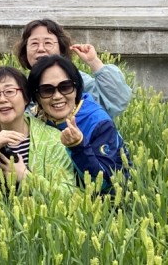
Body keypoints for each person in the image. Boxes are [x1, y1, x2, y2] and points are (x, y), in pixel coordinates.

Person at [0, 67, 74, 194]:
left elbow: (67, 194)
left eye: (9, 91)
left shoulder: (52, 139)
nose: (2, 99)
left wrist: (25, 176)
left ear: (26, 98)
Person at [28, 55, 131, 192]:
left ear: (77, 88)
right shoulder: (33, 118)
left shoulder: (98, 123)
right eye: (47, 90)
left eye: (65, 87)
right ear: (36, 96)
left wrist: (78, 146)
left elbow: (106, 182)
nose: (57, 96)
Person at [16, 19, 131, 118]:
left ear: (61, 49)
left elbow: (116, 101)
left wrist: (94, 62)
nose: (41, 49)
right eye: (34, 44)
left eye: (48, 43)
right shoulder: (19, 86)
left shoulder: (75, 80)